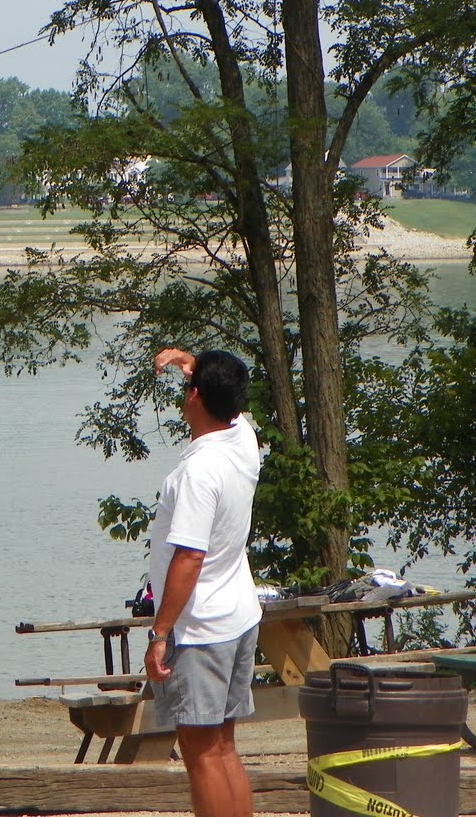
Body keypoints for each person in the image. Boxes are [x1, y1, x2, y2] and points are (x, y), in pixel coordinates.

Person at [143, 347, 261, 817]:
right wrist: (196, 365)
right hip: (239, 614)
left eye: (187, 385)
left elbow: (189, 557)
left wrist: (160, 633)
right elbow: (231, 404)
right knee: (223, 747)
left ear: (194, 397)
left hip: (200, 628)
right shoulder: (242, 440)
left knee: (200, 753)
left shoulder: (198, 471)